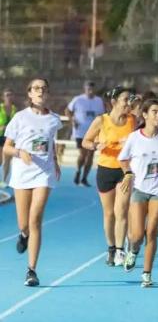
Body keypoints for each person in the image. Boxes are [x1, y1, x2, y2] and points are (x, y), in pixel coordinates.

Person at [3, 78, 62, 287]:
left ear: (47, 94)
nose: (40, 92)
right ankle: (23, 234)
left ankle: (31, 270)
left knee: (36, 219)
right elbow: (6, 148)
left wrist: (55, 161)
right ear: (29, 93)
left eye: (44, 89)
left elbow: (51, 143)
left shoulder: (54, 120)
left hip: (43, 174)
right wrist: (20, 152)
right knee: (24, 223)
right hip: (21, 173)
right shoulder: (19, 118)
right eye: (36, 88)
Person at [118, 99, 158, 287]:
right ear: (144, 115)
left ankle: (146, 274)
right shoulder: (134, 138)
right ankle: (133, 250)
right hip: (139, 189)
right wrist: (128, 173)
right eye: (154, 112)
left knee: (151, 231)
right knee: (137, 235)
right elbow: (123, 159)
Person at [81, 86, 137, 267]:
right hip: (105, 169)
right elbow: (85, 141)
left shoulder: (132, 120)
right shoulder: (101, 121)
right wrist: (96, 145)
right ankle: (111, 248)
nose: (129, 103)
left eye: (130, 99)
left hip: (125, 170)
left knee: (122, 210)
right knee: (109, 213)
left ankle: (120, 250)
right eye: (125, 99)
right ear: (114, 102)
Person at [67, 80, 106, 186]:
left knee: (90, 155)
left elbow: (103, 115)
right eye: (88, 89)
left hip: (94, 132)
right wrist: (72, 120)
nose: (90, 91)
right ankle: (78, 171)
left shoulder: (99, 101)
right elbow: (68, 110)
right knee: (83, 154)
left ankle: (84, 178)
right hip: (81, 132)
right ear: (85, 89)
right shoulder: (78, 99)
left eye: (92, 89)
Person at [0, 88, 14, 188]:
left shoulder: (14, 109)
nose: (9, 97)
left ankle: (4, 180)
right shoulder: (0, 108)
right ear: (3, 97)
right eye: (7, 95)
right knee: (1, 160)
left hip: (9, 137)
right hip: (0, 135)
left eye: (10, 95)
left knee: (7, 160)